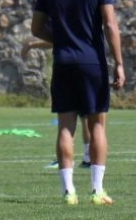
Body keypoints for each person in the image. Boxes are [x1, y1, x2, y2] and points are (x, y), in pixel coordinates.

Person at [31, 0, 125, 205]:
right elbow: (109, 24)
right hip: (92, 61)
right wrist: (119, 63)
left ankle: (68, 191)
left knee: (65, 126)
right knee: (97, 126)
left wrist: (62, 39)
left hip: (63, 61)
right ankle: (97, 190)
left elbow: (37, 28)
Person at [21, 37, 92, 169]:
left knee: (68, 118)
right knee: (86, 117)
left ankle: (66, 159)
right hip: (89, 65)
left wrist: (32, 44)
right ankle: (88, 158)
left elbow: (58, 39)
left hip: (68, 67)